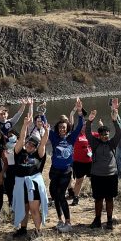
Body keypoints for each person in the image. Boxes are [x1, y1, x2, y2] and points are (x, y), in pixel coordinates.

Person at [11, 101, 49, 240]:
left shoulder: (38, 154)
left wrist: (47, 131)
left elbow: (43, 143)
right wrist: (25, 126)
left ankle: (38, 231)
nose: (30, 145)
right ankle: (23, 229)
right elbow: (21, 139)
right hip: (21, 183)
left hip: (33, 184)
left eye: (33, 144)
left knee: (34, 208)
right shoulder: (19, 152)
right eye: (28, 143)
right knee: (23, 207)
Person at [48, 99, 85, 233]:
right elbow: (44, 124)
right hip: (54, 171)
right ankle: (59, 220)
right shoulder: (54, 138)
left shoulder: (71, 138)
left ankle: (68, 222)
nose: (62, 129)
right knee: (54, 194)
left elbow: (81, 124)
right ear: (57, 129)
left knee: (61, 195)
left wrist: (80, 111)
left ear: (67, 128)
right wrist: (41, 112)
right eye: (60, 127)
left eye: (64, 127)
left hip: (65, 172)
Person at [86, 99, 121, 230]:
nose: (105, 137)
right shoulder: (94, 143)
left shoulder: (112, 143)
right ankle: (97, 220)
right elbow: (87, 133)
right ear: (99, 135)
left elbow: (119, 133)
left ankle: (109, 221)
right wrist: (89, 121)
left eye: (107, 134)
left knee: (109, 199)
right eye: (102, 135)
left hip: (111, 175)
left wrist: (114, 120)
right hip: (97, 175)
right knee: (98, 199)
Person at [69, 112, 96, 206]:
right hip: (78, 162)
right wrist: (73, 114)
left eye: (86, 125)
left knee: (94, 179)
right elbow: (71, 126)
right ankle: (76, 198)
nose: (84, 127)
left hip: (90, 162)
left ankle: (96, 196)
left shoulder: (92, 134)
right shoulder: (76, 135)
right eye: (83, 125)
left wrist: (101, 125)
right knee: (79, 180)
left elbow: (103, 136)